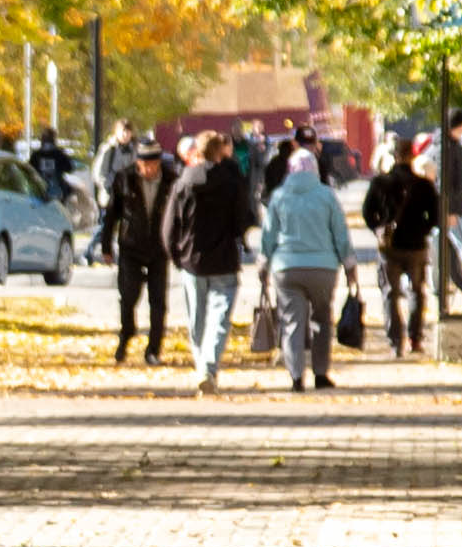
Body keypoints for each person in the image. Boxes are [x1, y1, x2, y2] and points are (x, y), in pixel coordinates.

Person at [259, 134, 356, 389]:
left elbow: (268, 235)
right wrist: (349, 265)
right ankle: (321, 373)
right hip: (323, 268)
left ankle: (296, 376)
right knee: (322, 320)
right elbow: (340, 233)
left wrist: (263, 262)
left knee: (292, 321)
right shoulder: (326, 195)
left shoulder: (279, 196)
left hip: (286, 267)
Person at [171, 128, 259, 388]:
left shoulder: (185, 181)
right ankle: (208, 366)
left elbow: (170, 223)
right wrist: (237, 238)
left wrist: (175, 254)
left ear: (197, 151)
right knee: (220, 317)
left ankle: (203, 367)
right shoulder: (232, 181)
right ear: (220, 152)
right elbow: (242, 218)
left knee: (196, 318)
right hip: (223, 259)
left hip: (192, 260)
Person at [363, 134, 447, 356]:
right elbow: (436, 216)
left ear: (394, 155)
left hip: (389, 247)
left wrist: (379, 229)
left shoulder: (380, 183)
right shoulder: (423, 185)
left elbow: (367, 213)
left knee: (390, 293)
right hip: (416, 246)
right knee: (417, 292)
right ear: (413, 156)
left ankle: (395, 341)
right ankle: (414, 338)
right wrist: (424, 230)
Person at [93, 131, 174, 363]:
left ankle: (153, 349)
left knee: (158, 301)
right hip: (131, 247)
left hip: (159, 248)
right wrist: (106, 246)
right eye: (145, 165)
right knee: (129, 295)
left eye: (154, 164)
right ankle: (126, 335)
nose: (149, 169)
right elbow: (111, 216)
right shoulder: (124, 179)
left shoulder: (170, 180)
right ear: (138, 163)